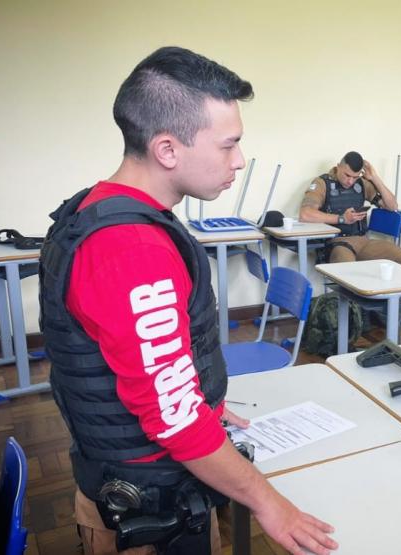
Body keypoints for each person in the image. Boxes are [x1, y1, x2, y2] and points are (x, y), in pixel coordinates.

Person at [39, 46, 337, 555]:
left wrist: (208, 404)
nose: (239, 160)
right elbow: (172, 417)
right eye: (228, 145)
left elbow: (154, 371)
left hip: (143, 478)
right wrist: (270, 504)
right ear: (168, 149)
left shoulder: (103, 207)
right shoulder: (129, 247)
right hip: (150, 507)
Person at [299, 151, 401, 267]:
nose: (350, 181)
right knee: (348, 268)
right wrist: (341, 219)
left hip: (363, 241)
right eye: (347, 175)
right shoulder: (322, 183)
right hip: (337, 243)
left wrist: (374, 178)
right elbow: (305, 214)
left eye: (355, 177)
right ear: (338, 167)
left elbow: (392, 206)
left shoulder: (362, 184)